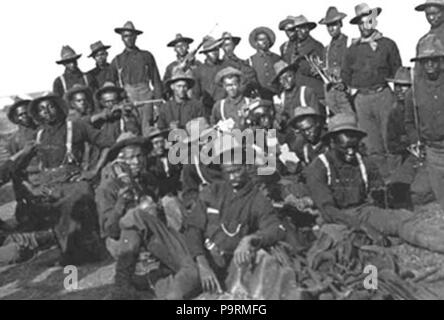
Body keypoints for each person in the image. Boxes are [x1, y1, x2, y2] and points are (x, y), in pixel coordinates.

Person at [306, 113, 444, 254]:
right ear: (332, 143)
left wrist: (380, 199)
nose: (351, 152)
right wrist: (363, 227)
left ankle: (437, 242)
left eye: (354, 146)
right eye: (345, 148)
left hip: (363, 211)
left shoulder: (364, 162)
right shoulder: (318, 168)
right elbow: (328, 210)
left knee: (404, 219)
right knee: (338, 240)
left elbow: (377, 192)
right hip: (336, 219)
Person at [2, 93, 113, 265]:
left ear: (59, 108)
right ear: (38, 114)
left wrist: (93, 171)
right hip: (50, 184)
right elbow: (20, 165)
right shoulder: (39, 134)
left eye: (50, 107)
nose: (47, 112)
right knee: (53, 216)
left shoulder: (76, 126)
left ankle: (89, 254)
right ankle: (69, 256)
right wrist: (31, 185)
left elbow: (107, 143)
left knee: (74, 208)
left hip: (73, 181)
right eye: (42, 109)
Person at [341, 3, 402, 177]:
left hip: (383, 96)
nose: (365, 26)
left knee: (391, 140)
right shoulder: (352, 49)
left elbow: (397, 72)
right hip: (362, 100)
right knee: (371, 143)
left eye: (369, 21)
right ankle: (382, 183)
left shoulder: (388, 44)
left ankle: (397, 182)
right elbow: (345, 76)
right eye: (361, 23)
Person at [405, 34, 444, 211]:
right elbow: (409, 122)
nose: (429, 65)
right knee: (441, 197)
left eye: (433, 60)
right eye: (425, 61)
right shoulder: (413, 93)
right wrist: (416, 141)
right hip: (433, 151)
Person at [111, 21, 163, 136]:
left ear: (136, 37)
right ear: (121, 38)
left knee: (148, 131)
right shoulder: (117, 60)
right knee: (132, 132)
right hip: (128, 100)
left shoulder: (146, 56)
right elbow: (112, 86)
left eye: (131, 36)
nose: (128, 39)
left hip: (147, 99)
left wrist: (157, 104)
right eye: (125, 36)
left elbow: (156, 80)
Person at [319, 6, 354, 115]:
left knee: (352, 122)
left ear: (340, 24)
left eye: (334, 24)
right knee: (337, 124)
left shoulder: (350, 44)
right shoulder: (326, 49)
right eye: (328, 26)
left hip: (347, 92)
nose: (331, 29)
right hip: (332, 94)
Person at [272, 60, 322, 134]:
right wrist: (279, 120)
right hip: (292, 133)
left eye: (288, 76)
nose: (285, 81)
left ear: (294, 76)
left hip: (308, 132)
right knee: (269, 135)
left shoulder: (307, 92)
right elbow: (285, 118)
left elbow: (317, 119)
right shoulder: (282, 97)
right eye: (281, 79)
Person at [281, 15, 325, 100]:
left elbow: (321, 70)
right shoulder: (289, 47)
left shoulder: (316, 46)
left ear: (308, 29)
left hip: (313, 91)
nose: (299, 31)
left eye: (302, 28)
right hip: (296, 92)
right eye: (296, 29)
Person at [218, 32, 259, 98]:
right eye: (225, 45)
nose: (227, 47)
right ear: (221, 47)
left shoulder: (243, 63)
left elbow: (252, 80)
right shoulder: (218, 65)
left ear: (234, 45)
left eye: (230, 44)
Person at [193, 36, 225, 118]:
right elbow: (196, 95)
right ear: (206, 53)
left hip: (225, 107)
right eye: (211, 50)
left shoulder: (226, 66)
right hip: (207, 110)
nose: (215, 53)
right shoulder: (198, 71)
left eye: (217, 49)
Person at [146, 128, 182, 198]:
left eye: (161, 142)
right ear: (151, 145)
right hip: (160, 195)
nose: (160, 145)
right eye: (156, 143)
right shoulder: (149, 161)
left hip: (177, 190)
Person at [248, 27, 281, 100]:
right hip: (260, 96)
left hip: (277, 95)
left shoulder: (277, 58)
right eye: (261, 40)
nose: (264, 42)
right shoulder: (251, 60)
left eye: (266, 39)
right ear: (256, 43)